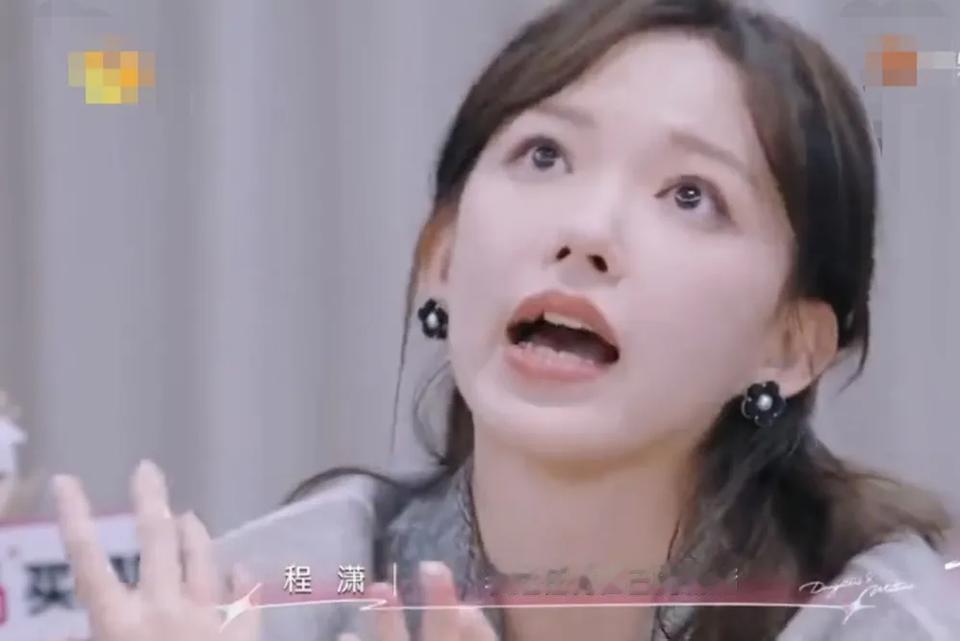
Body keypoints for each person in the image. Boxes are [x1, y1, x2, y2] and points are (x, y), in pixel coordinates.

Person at [50, 0, 960, 640]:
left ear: (791, 346)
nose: (586, 232)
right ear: (442, 256)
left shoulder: (871, 615)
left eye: (691, 195)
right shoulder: (294, 586)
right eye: (545, 154)